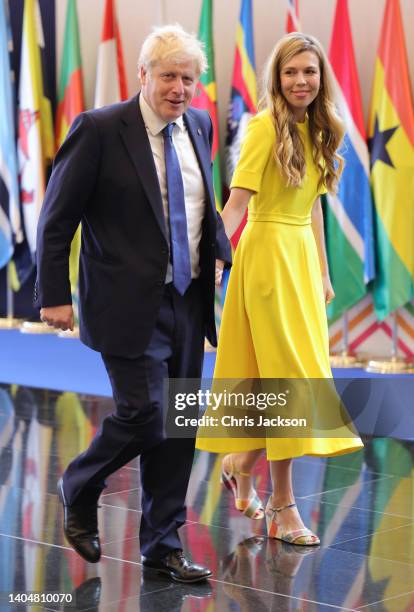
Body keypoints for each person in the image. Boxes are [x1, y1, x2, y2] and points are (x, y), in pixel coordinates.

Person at [35, 24, 231, 582]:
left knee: (179, 422)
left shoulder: (198, 124)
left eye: (189, 79)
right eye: (168, 76)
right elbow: (57, 219)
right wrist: (54, 295)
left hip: (189, 300)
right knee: (144, 412)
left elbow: (201, 203)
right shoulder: (98, 130)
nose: (180, 88)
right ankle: (80, 483)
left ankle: (164, 545)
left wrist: (218, 251)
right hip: (124, 303)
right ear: (142, 75)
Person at [196, 33, 363, 544]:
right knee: (285, 384)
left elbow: (312, 206)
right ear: (277, 77)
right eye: (291, 72)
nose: (300, 81)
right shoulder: (264, 127)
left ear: (321, 77)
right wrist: (212, 263)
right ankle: (283, 506)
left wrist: (324, 272)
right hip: (265, 262)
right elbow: (238, 204)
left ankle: (241, 461)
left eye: (309, 72)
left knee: (286, 383)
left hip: (300, 263)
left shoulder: (320, 128)